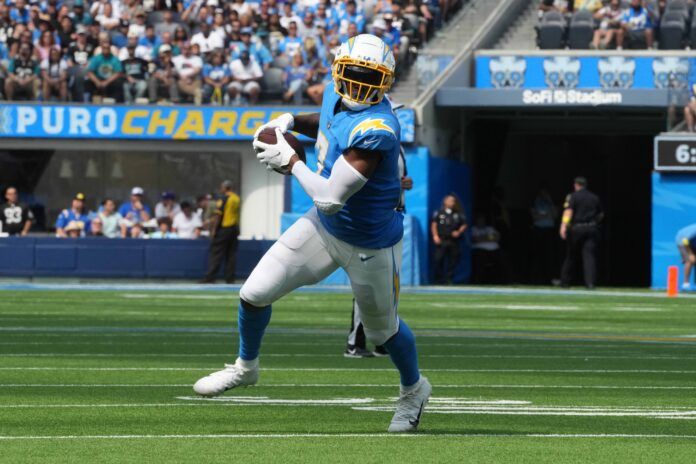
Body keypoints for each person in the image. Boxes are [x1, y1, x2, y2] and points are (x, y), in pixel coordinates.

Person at [193, 34, 431, 433]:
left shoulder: (378, 128)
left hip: (369, 242)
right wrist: (287, 121)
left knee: (382, 331)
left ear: (385, 81)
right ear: (338, 70)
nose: (358, 84)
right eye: (352, 74)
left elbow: (329, 197)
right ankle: (245, 368)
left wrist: (290, 162)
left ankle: (414, 389)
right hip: (325, 230)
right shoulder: (332, 95)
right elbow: (323, 122)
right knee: (253, 294)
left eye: (369, 77)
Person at [345, 145, 412, 358]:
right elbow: (361, 177)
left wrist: (404, 185)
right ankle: (355, 342)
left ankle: (383, 341)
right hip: (374, 219)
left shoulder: (398, 147)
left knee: (388, 286)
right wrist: (395, 185)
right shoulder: (371, 143)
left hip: (392, 217)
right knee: (367, 284)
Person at [559, 177, 603, 289]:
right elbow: (601, 214)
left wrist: (563, 225)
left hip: (576, 228)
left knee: (571, 255)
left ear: (576, 185)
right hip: (591, 228)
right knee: (589, 256)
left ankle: (565, 281)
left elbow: (569, 211)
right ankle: (590, 282)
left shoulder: (573, 196)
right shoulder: (594, 197)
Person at [201, 180, 240, 284]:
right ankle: (230, 278)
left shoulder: (223, 199)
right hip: (234, 229)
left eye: (221, 187)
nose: (220, 189)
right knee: (231, 255)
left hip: (224, 229)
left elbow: (218, 215)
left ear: (225, 188)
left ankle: (210, 277)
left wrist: (213, 230)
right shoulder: (236, 198)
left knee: (216, 254)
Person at [431, 194, 467, 284]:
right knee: (438, 259)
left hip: (453, 240)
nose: (453, 203)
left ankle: (449, 278)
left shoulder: (457, 214)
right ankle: (439, 279)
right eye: (451, 201)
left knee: (454, 259)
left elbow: (464, 224)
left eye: (454, 201)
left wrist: (458, 232)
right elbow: (434, 224)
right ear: (445, 202)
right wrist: (435, 236)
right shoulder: (439, 212)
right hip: (442, 239)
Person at [530, 183, 558, 284]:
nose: (544, 194)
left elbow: (555, 215)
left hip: (549, 230)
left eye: (546, 192)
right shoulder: (535, 202)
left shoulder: (551, 203)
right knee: (537, 254)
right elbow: (535, 217)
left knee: (549, 255)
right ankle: (535, 278)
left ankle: (550, 278)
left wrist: (550, 202)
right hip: (538, 230)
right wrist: (547, 215)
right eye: (543, 192)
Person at [86, 36, 124, 102]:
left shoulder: (114, 59)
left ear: (110, 49)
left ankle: (117, 102)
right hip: (98, 79)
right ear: (101, 49)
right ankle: (89, 102)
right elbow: (89, 72)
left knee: (119, 82)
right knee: (88, 82)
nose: (105, 50)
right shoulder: (96, 58)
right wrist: (97, 82)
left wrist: (106, 82)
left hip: (110, 80)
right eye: (104, 48)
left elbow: (118, 73)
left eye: (107, 48)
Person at [675, 224, 696, 291]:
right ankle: (685, 284)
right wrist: (690, 254)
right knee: (689, 260)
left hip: (690, 241)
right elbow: (685, 241)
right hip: (682, 240)